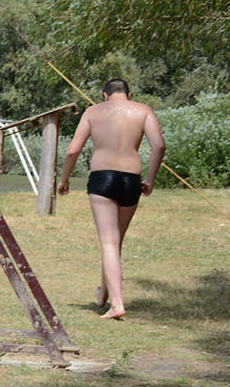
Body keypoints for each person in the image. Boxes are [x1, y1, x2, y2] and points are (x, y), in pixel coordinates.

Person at [56, 78, 166, 320]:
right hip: (131, 180)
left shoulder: (93, 111)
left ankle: (117, 304)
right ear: (128, 94)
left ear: (104, 94)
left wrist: (64, 179)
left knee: (109, 242)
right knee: (116, 242)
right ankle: (103, 296)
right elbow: (158, 145)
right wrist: (150, 179)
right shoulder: (143, 110)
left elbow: (72, 150)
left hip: (102, 178)